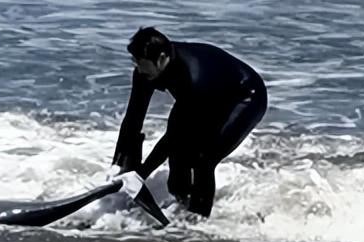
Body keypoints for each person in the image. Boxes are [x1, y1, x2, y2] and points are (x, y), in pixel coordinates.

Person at [111, 27, 267, 218]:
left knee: (203, 158)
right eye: (135, 62)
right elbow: (133, 118)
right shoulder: (145, 72)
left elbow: (173, 136)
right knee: (177, 171)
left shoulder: (192, 79)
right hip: (206, 95)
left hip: (245, 96)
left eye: (141, 63)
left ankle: (198, 221)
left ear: (161, 59)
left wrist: (141, 174)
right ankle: (182, 205)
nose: (138, 69)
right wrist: (118, 166)